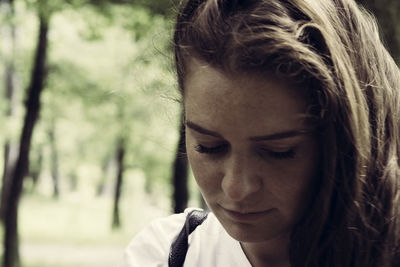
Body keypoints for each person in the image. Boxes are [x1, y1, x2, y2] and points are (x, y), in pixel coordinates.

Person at [120, 0, 400, 266]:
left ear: (345, 139)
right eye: (209, 146)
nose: (236, 188)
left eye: (279, 152)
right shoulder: (166, 254)